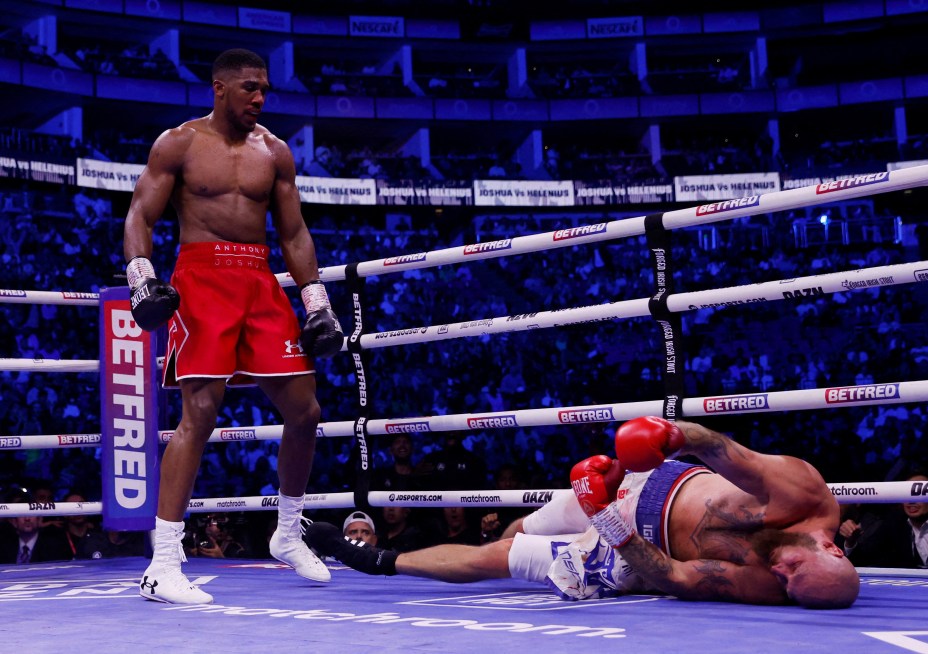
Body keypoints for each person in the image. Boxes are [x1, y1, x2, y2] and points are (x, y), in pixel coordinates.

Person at [122, 48, 343, 604]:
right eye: (249, 88)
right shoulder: (180, 143)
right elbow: (139, 215)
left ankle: (287, 532)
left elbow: (294, 235)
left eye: (264, 88)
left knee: (305, 409)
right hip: (200, 278)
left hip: (259, 280)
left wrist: (317, 303)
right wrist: (142, 280)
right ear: (219, 88)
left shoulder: (276, 151)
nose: (259, 98)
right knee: (198, 412)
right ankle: (163, 563)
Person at [307, 416, 860, 609]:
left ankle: (378, 560)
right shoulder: (803, 495)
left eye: (786, 587)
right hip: (654, 475)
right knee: (519, 526)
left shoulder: (772, 586)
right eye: (791, 569)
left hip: (632, 544)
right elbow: (718, 448)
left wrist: (608, 521)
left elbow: (674, 575)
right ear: (830, 547)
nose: (778, 576)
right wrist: (668, 436)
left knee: (503, 556)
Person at [840, 470, 928, 569]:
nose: (910, 501)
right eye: (906, 494)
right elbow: (863, 560)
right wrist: (851, 542)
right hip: (908, 592)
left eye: (917, 493)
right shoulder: (894, 522)